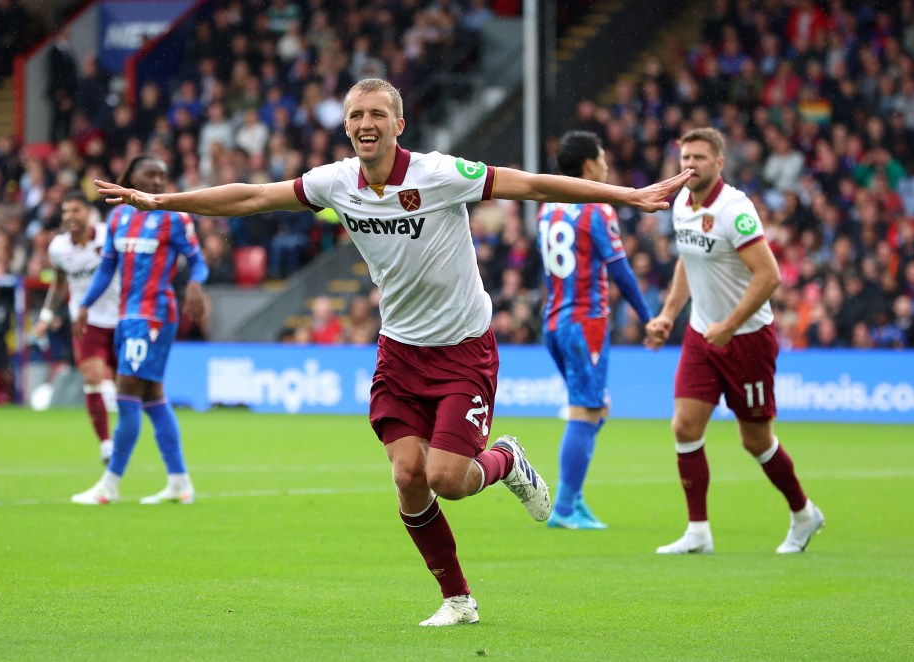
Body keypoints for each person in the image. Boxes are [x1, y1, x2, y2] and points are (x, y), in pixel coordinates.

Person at [94, 79, 692, 625]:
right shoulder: (335, 182)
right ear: (347, 127)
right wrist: (161, 202)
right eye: (355, 114)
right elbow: (253, 197)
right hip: (400, 351)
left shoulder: (437, 173)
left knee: (449, 480)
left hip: (464, 349)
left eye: (377, 113)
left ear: (398, 124)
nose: (365, 122)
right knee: (408, 476)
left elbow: (531, 184)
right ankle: (457, 599)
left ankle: (506, 460)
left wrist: (628, 196)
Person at [645, 128, 824, 555]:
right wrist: (669, 314)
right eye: (685, 156)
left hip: (747, 339)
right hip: (702, 337)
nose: (691, 164)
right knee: (685, 426)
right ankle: (698, 532)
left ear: (720, 162)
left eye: (700, 157)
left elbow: (770, 276)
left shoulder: (735, 210)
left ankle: (803, 514)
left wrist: (729, 323)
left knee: (755, 441)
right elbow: (687, 263)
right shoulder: (681, 206)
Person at [71, 154, 208, 506]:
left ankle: (110, 485)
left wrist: (194, 283)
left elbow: (198, 262)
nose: (159, 182)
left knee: (127, 391)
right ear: (132, 176)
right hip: (127, 317)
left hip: (155, 317)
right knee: (152, 398)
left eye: (163, 176)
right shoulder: (117, 218)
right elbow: (106, 270)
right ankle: (179, 482)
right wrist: (85, 305)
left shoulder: (174, 217)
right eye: (151, 175)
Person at [537, 131, 655, 530]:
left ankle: (576, 497)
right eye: (602, 156)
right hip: (585, 322)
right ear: (588, 165)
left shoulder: (547, 209)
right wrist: (647, 315)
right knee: (586, 410)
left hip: (554, 322)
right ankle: (565, 508)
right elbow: (619, 268)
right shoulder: (596, 209)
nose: (606, 163)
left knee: (596, 406)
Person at [32, 192, 120, 464]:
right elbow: (59, 283)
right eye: (66, 211)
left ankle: (124, 436)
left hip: (119, 319)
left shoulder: (108, 236)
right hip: (85, 322)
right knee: (92, 379)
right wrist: (46, 316)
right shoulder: (58, 248)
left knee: (128, 387)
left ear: (88, 214)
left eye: (76, 210)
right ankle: (105, 443)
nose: (70, 216)